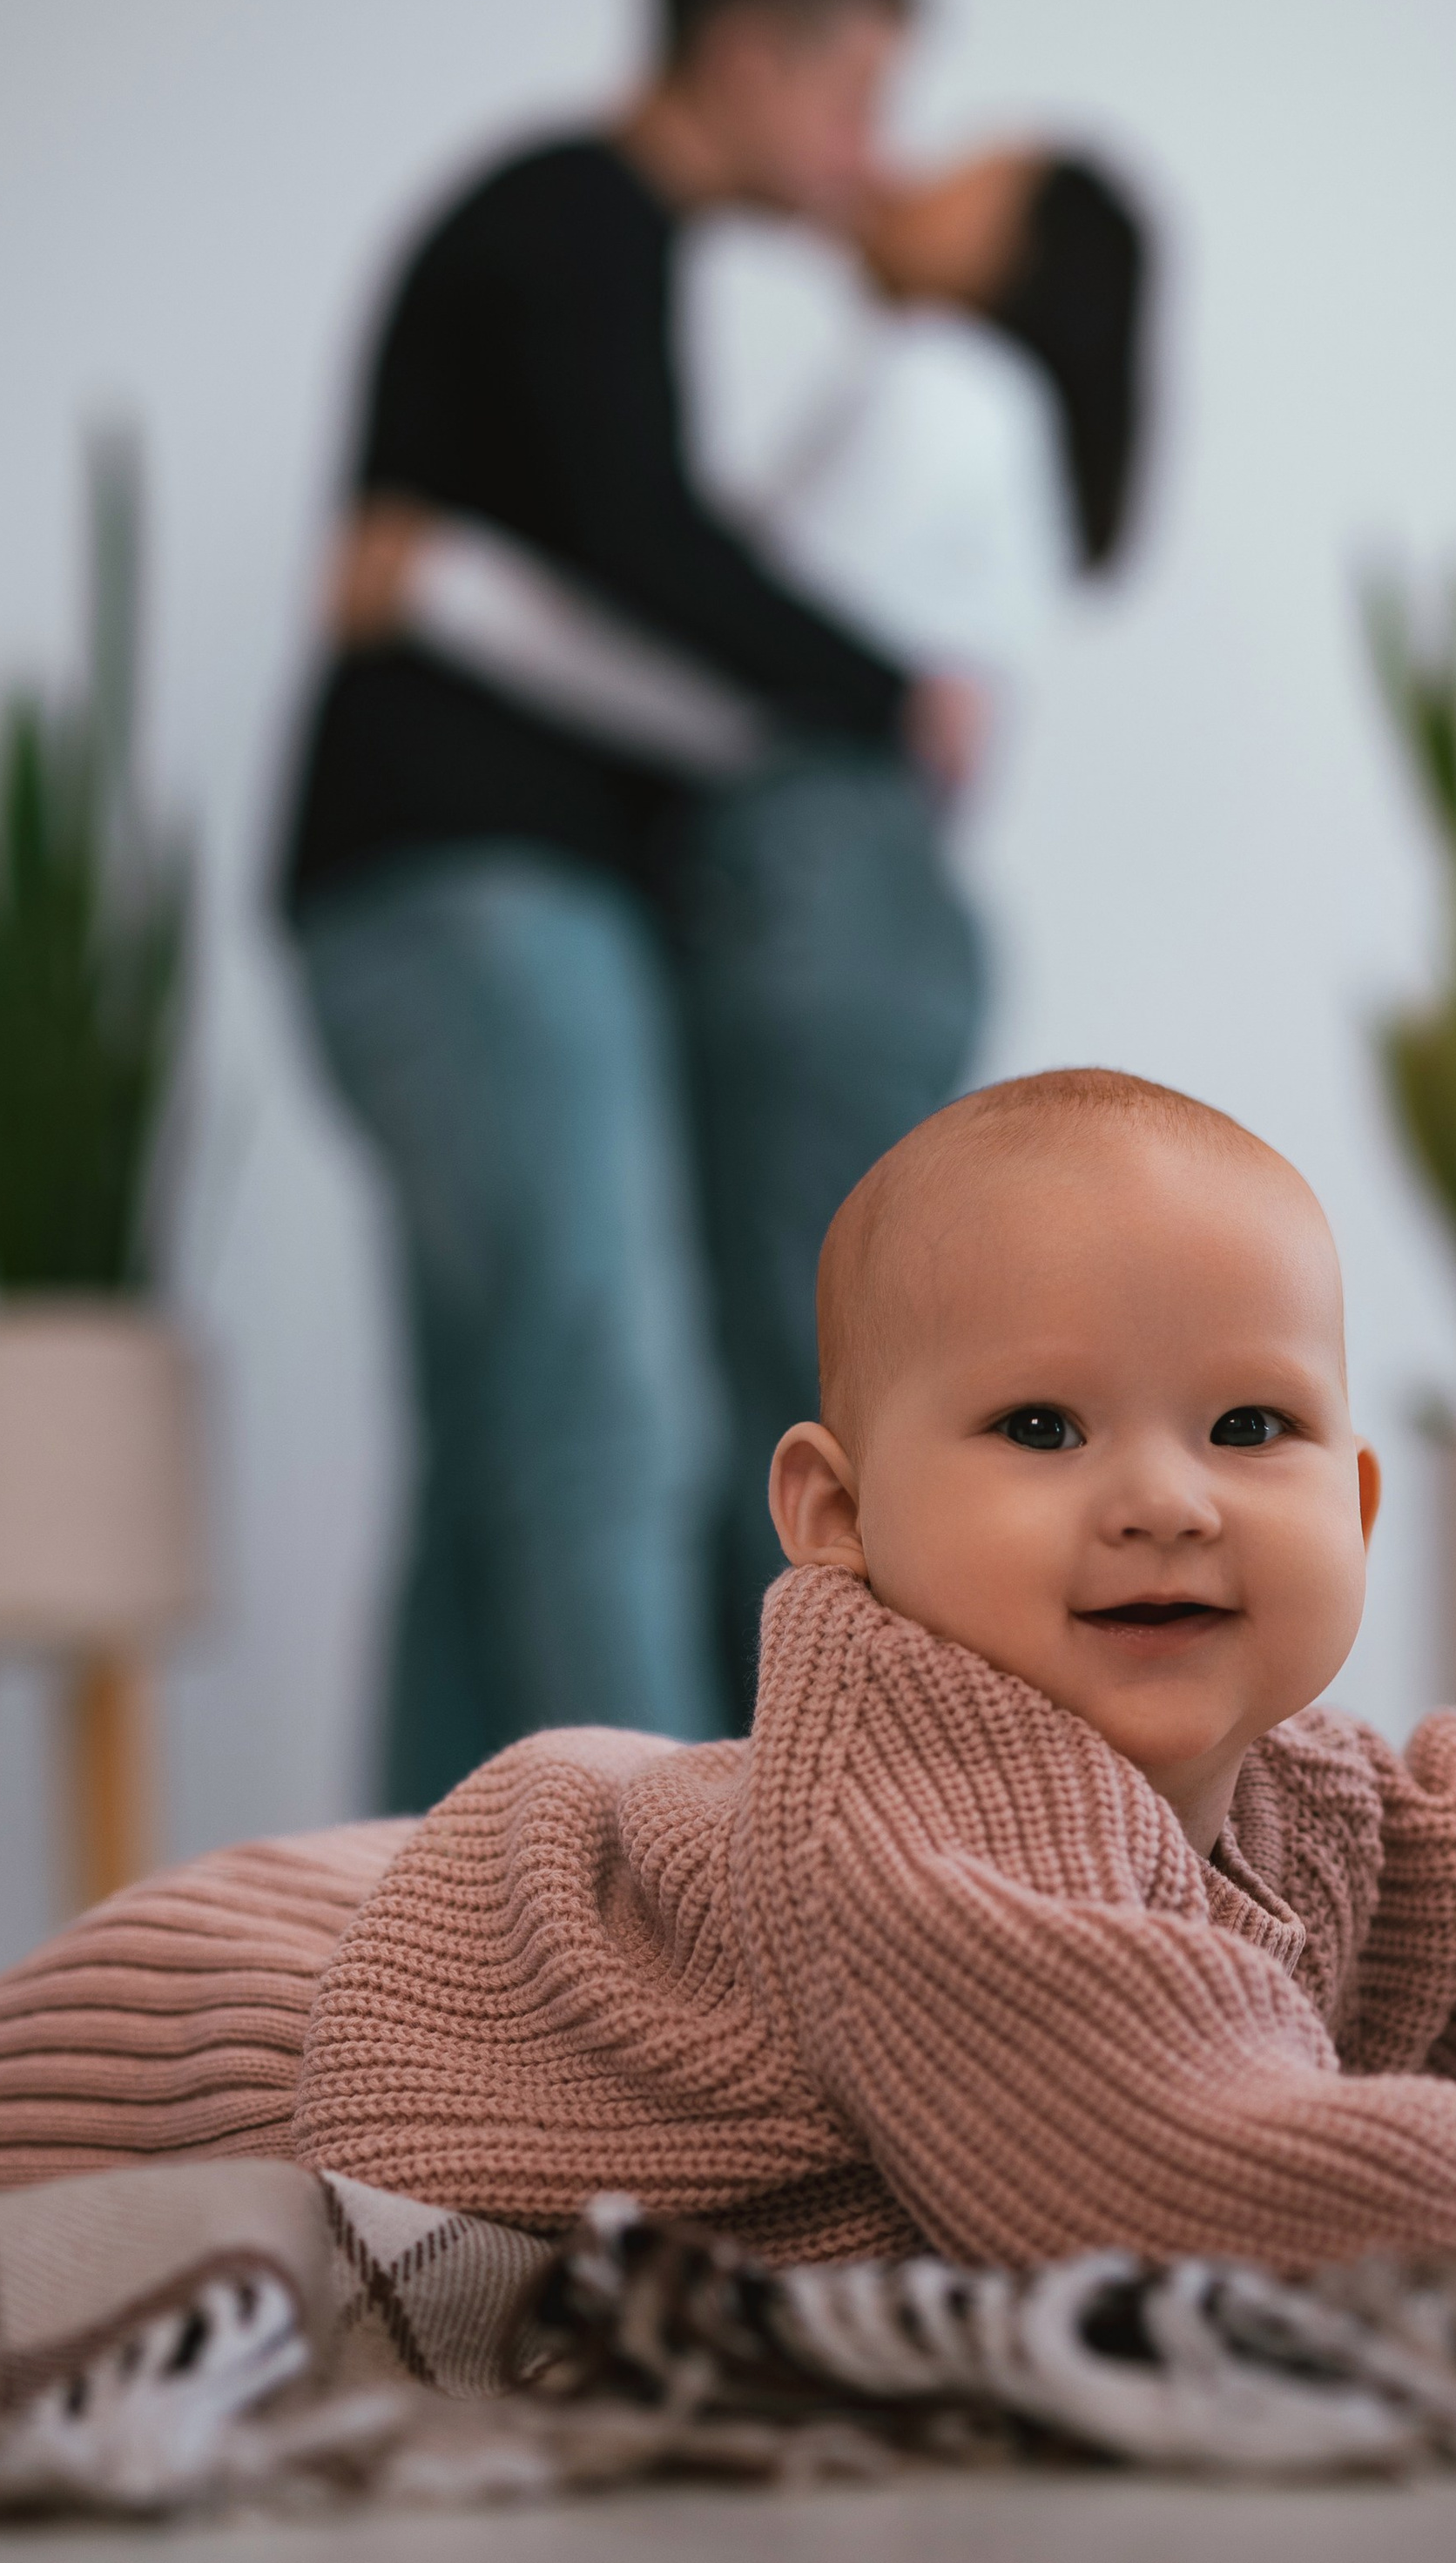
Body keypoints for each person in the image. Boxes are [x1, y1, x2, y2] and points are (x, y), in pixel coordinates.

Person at [0, 1073, 1456, 2337]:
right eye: (1037, 1428)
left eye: (1244, 1426)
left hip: (559, 1924)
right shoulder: (943, 1806)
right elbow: (1170, 2138)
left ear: (1357, 1492)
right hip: (306, 2012)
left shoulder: (1281, 1792)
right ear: (835, 1516)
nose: (1156, 1501)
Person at [280, 0, 982, 1811]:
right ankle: (688, 1955)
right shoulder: (581, 215)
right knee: (603, 1410)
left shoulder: (583, 225)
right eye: (852, 90)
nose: (866, 150)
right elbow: (647, 553)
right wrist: (883, 688)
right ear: (745, 55)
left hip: (439, 893)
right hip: (470, 892)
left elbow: (584, 577)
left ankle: (399, 1970)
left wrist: (436, 581)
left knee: (500, 1428)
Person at [336, 138, 1154, 1705]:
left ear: (1019, 253)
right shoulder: (943, 393)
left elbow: (739, 675)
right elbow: (751, 636)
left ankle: (802, 1888)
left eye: (974, 167)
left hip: (811, 914)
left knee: (802, 1426)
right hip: (840, 917)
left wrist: (437, 584)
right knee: (800, 1404)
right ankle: (783, 1871)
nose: (911, 157)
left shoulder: (945, 381)